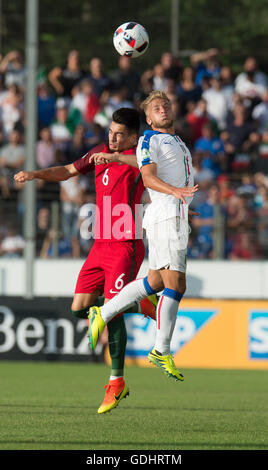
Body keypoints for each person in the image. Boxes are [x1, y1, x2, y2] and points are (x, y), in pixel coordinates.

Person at [14, 108, 158, 414]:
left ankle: (116, 382)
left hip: (125, 246)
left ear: (134, 137)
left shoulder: (141, 156)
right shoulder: (98, 153)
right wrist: (35, 174)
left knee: (111, 311)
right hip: (99, 247)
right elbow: (66, 170)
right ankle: (141, 303)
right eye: (111, 132)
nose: (113, 138)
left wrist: (118, 157)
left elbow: (151, 170)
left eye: (120, 134)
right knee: (80, 309)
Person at [87, 91, 198, 383]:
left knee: (156, 282)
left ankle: (104, 312)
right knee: (176, 284)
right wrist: (175, 195)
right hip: (165, 216)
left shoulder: (178, 141)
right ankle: (161, 350)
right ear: (148, 118)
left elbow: (174, 179)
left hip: (175, 214)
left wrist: (183, 202)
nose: (163, 108)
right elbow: (148, 178)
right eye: (156, 107)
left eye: (166, 104)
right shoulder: (149, 139)